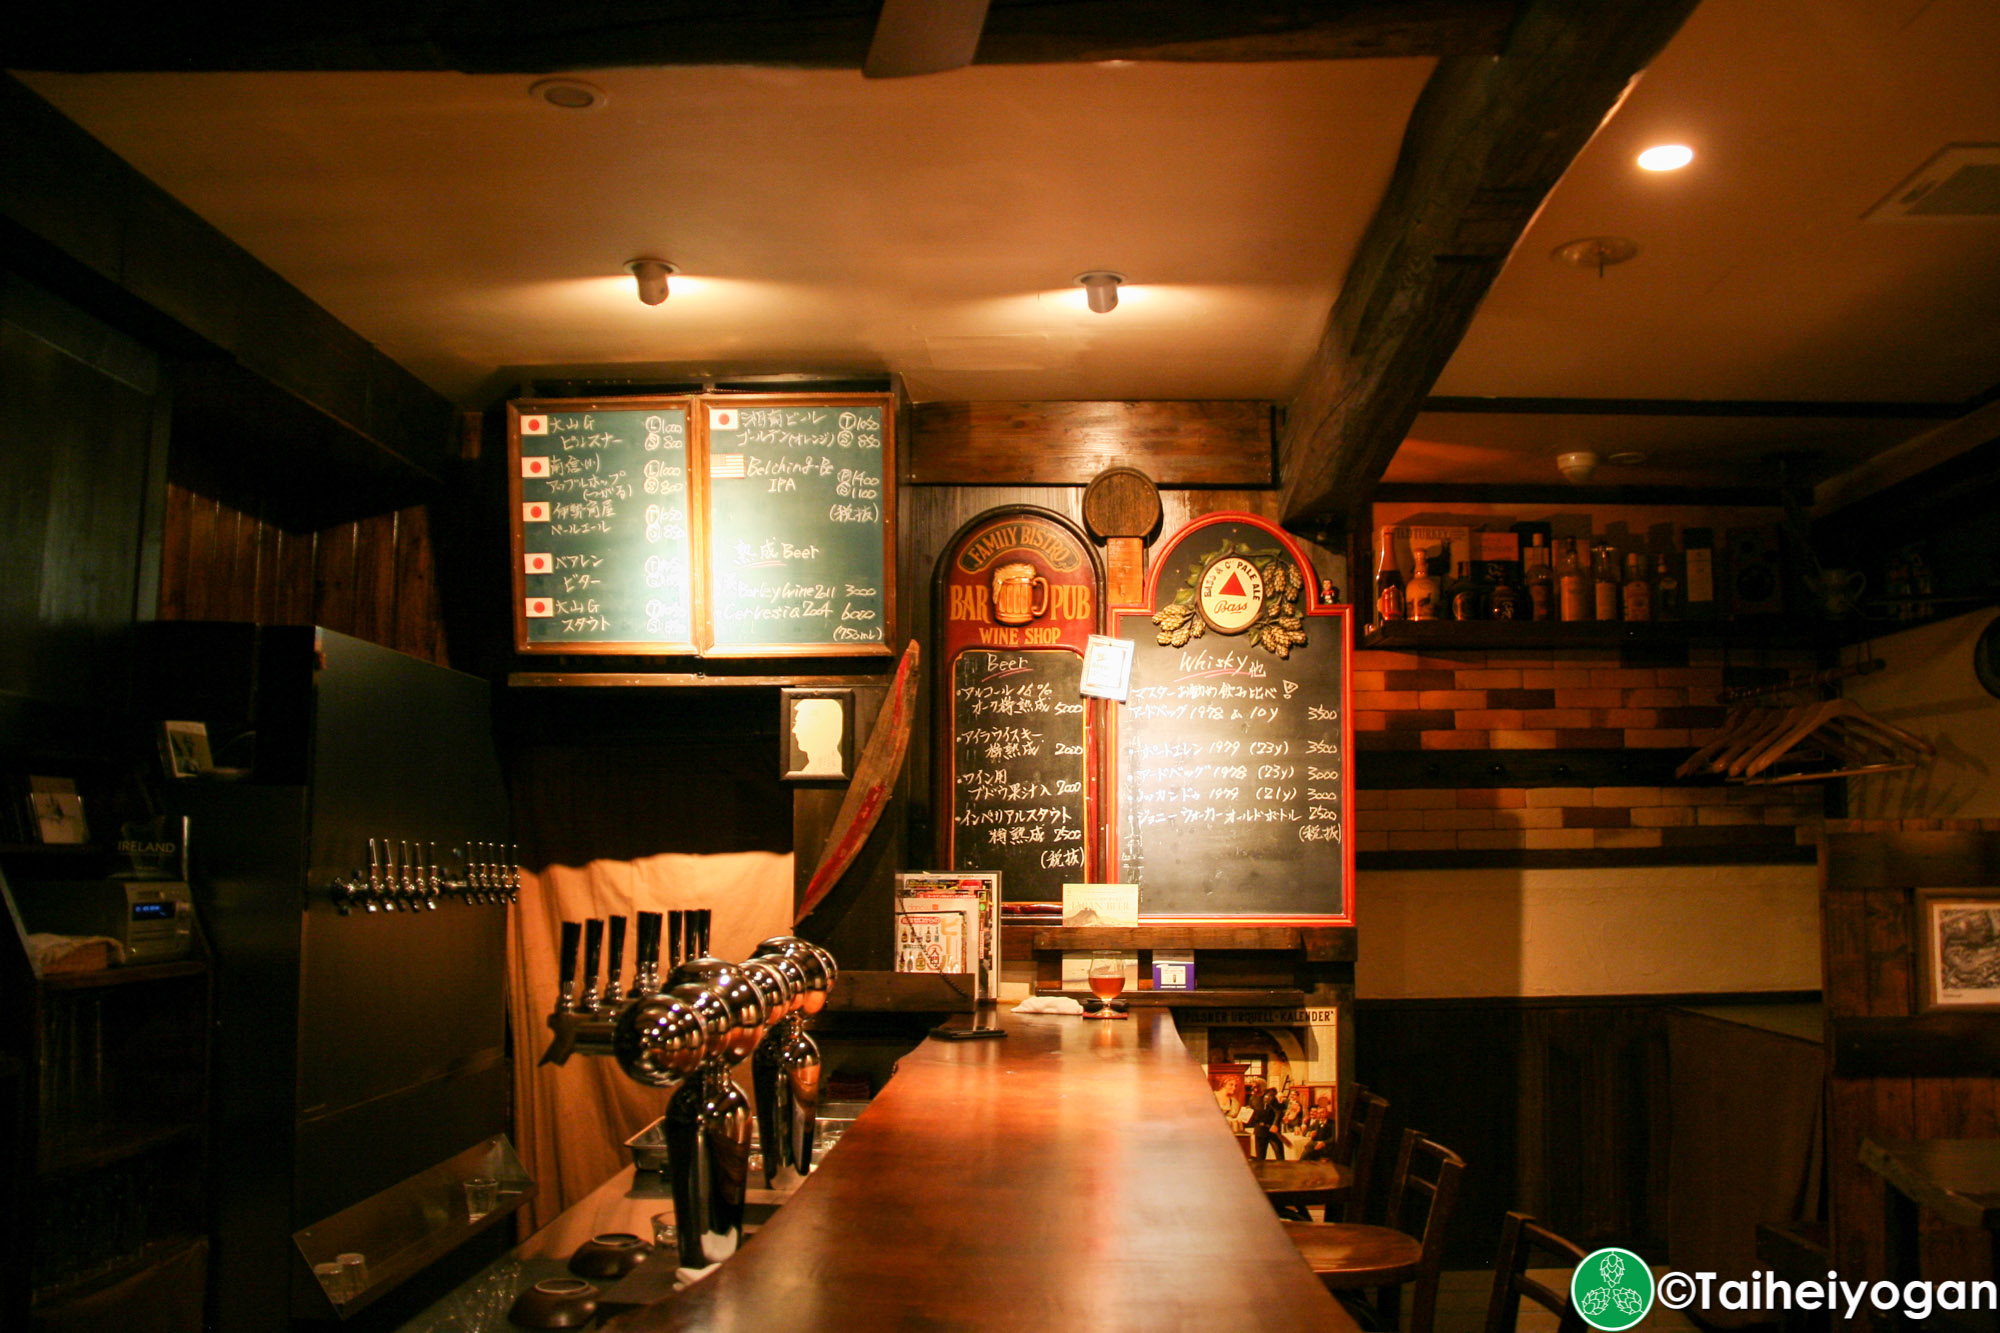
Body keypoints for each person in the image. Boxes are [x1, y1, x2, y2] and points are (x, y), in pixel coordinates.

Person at [1249, 1087, 1284, 1161]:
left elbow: (1278, 1112)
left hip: (1272, 1130)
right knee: (1260, 1157)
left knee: (1279, 1156)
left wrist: (1275, 1124)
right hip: (1260, 1130)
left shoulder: (1270, 1098)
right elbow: (1251, 1110)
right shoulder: (1252, 1099)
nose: (1254, 1090)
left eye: (1256, 1087)